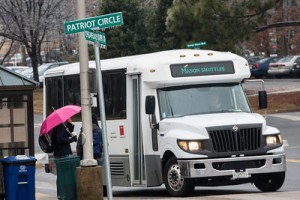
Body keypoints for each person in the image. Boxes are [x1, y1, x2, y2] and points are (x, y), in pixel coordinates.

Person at [51, 118, 77, 199]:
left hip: (59, 153)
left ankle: (61, 194)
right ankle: (62, 194)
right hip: (63, 153)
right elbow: (60, 139)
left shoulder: (61, 125)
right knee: (64, 176)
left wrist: (70, 125)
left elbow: (67, 134)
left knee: (61, 175)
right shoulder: (60, 126)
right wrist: (71, 140)